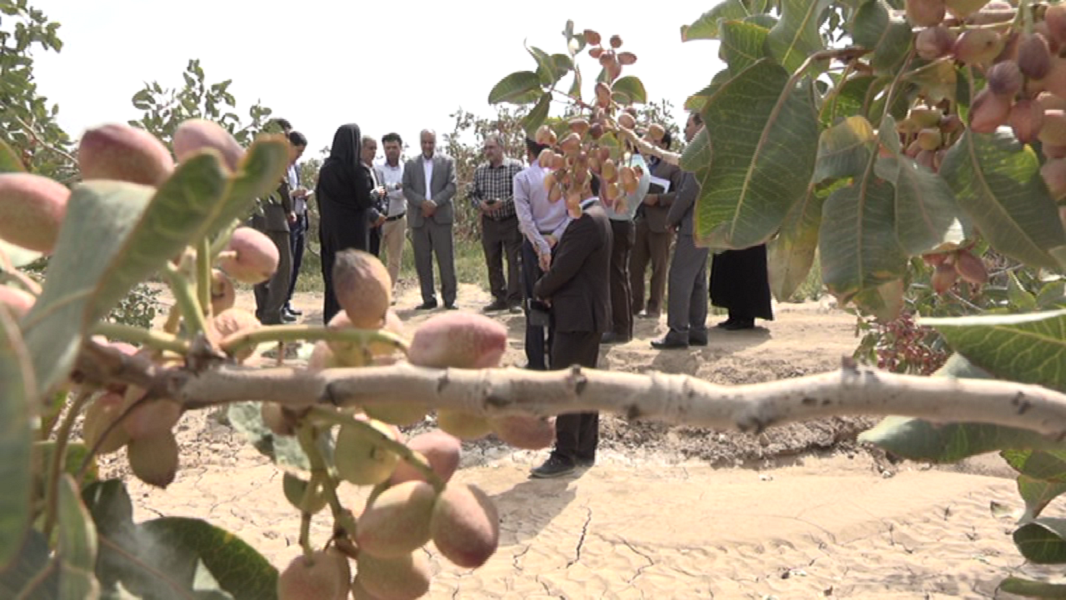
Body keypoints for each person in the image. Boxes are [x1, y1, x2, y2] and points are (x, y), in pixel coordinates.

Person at [530, 176, 612, 478]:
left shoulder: (585, 222)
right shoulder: (598, 216)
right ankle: (583, 449)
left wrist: (540, 289)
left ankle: (564, 454)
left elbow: (564, 268)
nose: (563, 196)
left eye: (568, 189)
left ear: (584, 189)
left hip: (577, 316)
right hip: (586, 314)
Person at [652, 112, 709, 350]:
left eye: (688, 125)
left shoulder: (698, 156)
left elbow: (687, 192)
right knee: (696, 280)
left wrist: (671, 218)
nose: (684, 130)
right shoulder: (708, 153)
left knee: (680, 278)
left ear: (700, 127)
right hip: (704, 224)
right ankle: (697, 330)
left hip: (691, 225)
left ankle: (678, 331)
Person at [514, 137, 569, 371]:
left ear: (529, 152)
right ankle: (558, 356)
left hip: (534, 244)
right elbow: (573, 211)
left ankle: (536, 361)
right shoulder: (564, 176)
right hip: (561, 242)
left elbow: (524, 218)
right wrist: (554, 237)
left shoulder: (523, 178)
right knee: (558, 299)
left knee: (534, 300)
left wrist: (539, 244)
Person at [317, 123, 374, 324]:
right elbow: (364, 200)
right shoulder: (357, 169)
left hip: (331, 232)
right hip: (354, 233)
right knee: (354, 276)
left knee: (333, 276)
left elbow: (319, 199)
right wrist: (378, 194)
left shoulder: (325, 170)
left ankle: (332, 320)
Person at [402, 129, 458, 310]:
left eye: (430, 142)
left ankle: (450, 299)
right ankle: (428, 299)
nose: (427, 146)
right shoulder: (410, 164)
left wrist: (434, 203)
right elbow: (406, 188)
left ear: (435, 142)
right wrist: (422, 204)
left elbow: (452, 186)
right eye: (424, 142)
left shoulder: (447, 162)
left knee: (446, 260)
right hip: (419, 218)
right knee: (422, 261)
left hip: (441, 217)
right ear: (420, 142)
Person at [630, 130, 683, 320]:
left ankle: (654, 308)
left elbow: (680, 193)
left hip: (661, 224)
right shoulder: (640, 165)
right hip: (639, 221)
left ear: (665, 145)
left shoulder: (673, 167)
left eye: (657, 142)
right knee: (634, 267)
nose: (652, 145)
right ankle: (635, 306)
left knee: (659, 268)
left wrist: (658, 199)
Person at [601, 146, 650, 344]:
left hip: (618, 222)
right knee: (619, 276)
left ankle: (620, 328)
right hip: (624, 222)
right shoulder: (641, 167)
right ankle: (620, 325)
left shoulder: (631, 167)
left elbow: (613, 194)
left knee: (616, 277)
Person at [470, 134, 524, 313]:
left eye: (491, 147)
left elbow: (520, 193)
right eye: (486, 148)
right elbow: (472, 194)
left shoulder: (515, 167)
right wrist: (481, 205)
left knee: (514, 261)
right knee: (492, 260)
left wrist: (504, 203)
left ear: (501, 148)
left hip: (510, 220)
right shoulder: (481, 170)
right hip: (490, 222)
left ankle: (514, 299)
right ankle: (499, 297)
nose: (488, 152)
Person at [252, 131, 302, 325]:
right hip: (275, 220)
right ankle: (273, 313)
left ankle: (263, 310)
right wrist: (289, 210)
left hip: (258, 218)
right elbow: (281, 187)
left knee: (260, 267)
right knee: (282, 268)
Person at [709, 246, 774, 330]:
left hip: (749, 242)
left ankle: (746, 318)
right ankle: (734, 315)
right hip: (730, 239)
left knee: (746, 271)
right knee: (729, 270)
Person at [283, 130, 310, 321]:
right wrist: (293, 194)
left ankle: (288, 301)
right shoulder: (281, 167)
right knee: (287, 264)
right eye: (298, 151)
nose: (299, 155)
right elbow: (280, 194)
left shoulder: (297, 168)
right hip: (288, 220)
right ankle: (280, 304)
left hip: (300, 218)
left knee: (296, 263)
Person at [377, 133, 407, 295]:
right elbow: (380, 191)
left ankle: (389, 291)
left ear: (400, 148)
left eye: (394, 147)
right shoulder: (377, 167)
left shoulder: (407, 168)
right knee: (375, 257)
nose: (391, 151)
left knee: (394, 259)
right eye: (388, 148)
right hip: (380, 219)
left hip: (399, 218)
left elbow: (406, 192)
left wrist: (391, 189)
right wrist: (396, 187)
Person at [361, 135, 388, 258]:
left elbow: (384, 194)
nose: (373, 152)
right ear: (361, 149)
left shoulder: (375, 170)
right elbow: (362, 198)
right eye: (370, 148)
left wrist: (383, 213)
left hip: (377, 225)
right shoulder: (357, 171)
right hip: (363, 225)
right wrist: (373, 216)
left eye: (375, 149)